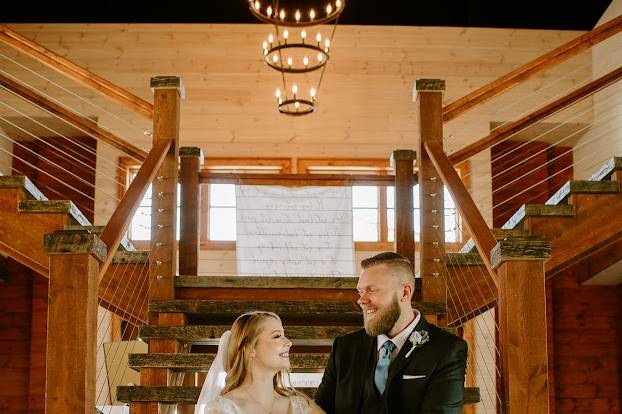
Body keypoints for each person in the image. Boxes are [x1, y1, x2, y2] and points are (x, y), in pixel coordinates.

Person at [314, 252, 468, 413]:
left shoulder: (447, 350)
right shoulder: (344, 347)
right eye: (360, 291)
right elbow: (321, 408)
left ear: (405, 293)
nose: (361, 300)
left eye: (371, 290)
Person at [195, 310, 326, 414]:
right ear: (250, 348)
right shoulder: (222, 410)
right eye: (277, 336)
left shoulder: (301, 407)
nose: (289, 343)